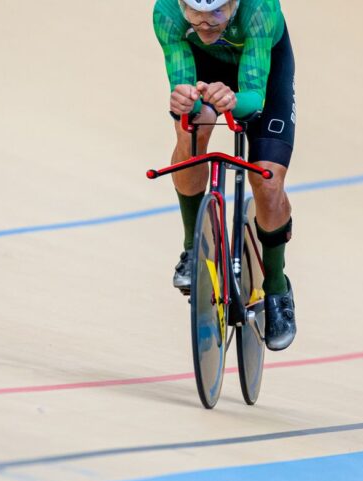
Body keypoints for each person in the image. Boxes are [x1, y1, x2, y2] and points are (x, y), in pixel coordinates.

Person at [153, 0, 297, 350]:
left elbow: (254, 98)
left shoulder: (260, 9)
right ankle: (192, 247)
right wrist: (186, 100)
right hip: (204, 69)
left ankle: (277, 287)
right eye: (195, 14)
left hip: (260, 75)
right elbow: (183, 84)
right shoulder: (166, 13)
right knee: (193, 129)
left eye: (217, 14)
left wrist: (234, 98)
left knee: (267, 180)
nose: (204, 25)